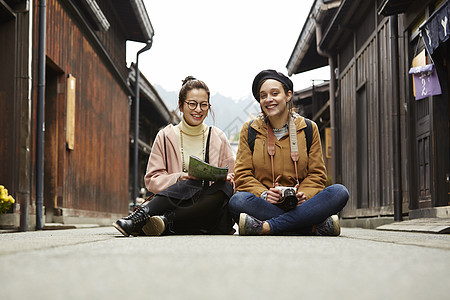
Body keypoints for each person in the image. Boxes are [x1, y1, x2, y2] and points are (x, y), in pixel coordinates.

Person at [229, 69, 349, 236]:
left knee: (339, 192)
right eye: (263, 96)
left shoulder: (308, 128)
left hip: (301, 204)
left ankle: (266, 227)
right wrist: (264, 194)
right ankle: (312, 227)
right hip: (265, 204)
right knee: (237, 201)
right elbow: (242, 175)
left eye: (275, 93)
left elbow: (316, 175)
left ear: (288, 95)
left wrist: (303, 195)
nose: (268, 99)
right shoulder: (250, 130)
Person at [113, 76, 235, 236]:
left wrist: (229, 178)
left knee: (224, 187)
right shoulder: (165, 136)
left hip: (209, 215)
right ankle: (139, 216)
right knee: (191, 183)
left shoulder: (217, 137)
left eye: (203, 105)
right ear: (181, 105)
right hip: (176, 205)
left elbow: (233, 178)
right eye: (192, 104)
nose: (198, 109)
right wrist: (178, 178)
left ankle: (164, 220)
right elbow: (152, 179)